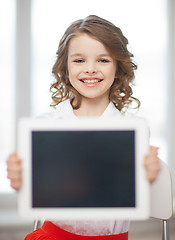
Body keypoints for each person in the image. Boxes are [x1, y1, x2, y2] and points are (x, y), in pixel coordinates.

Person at [7, 15, 161, 240]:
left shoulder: (133, 129)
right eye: (79, 60)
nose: (90, 69)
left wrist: (146, 178)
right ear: (65, 68)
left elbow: (127, 193)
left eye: (103, 60)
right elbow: (40, 191)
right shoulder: (46, 125)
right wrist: (22, 180)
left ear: (118, 68)